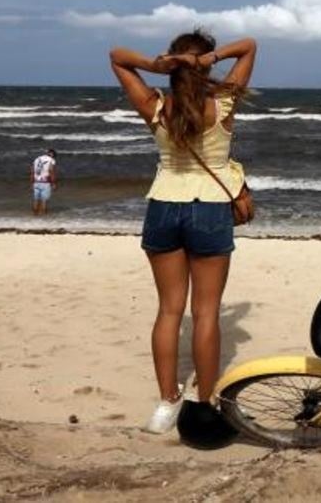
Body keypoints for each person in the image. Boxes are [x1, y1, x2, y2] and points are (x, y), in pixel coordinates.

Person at [109, 29, 258, 435]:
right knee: (206, 312)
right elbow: (249, 45)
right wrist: (209, 59)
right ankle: (204, 401)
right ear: (204, 64)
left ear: (171, 68)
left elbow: (118, 56)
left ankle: (166, 403)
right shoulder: (223, 104)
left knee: (169, 310)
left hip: (163, 206)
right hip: (209, 208)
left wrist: (155, 66)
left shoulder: (156, 107)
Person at [30, 149, 57, 215]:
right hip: (45, 183)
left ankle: (35, 216)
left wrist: (32, 182)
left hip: (36, 182)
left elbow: (32, 171)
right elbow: (51, 171)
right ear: (52, 154)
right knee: (44, 201)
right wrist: (53, 183)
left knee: (36, 200)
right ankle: (44, 219)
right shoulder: (51, 160)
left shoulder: (37, 159)